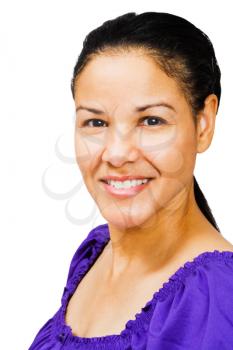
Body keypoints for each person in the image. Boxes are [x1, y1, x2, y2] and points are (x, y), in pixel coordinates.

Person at [28, 11, 233, 350]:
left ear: (203, 124)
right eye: (96, 123)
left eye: (151, 120)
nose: (117, 153)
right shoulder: (95, 254)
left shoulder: (219, 297)